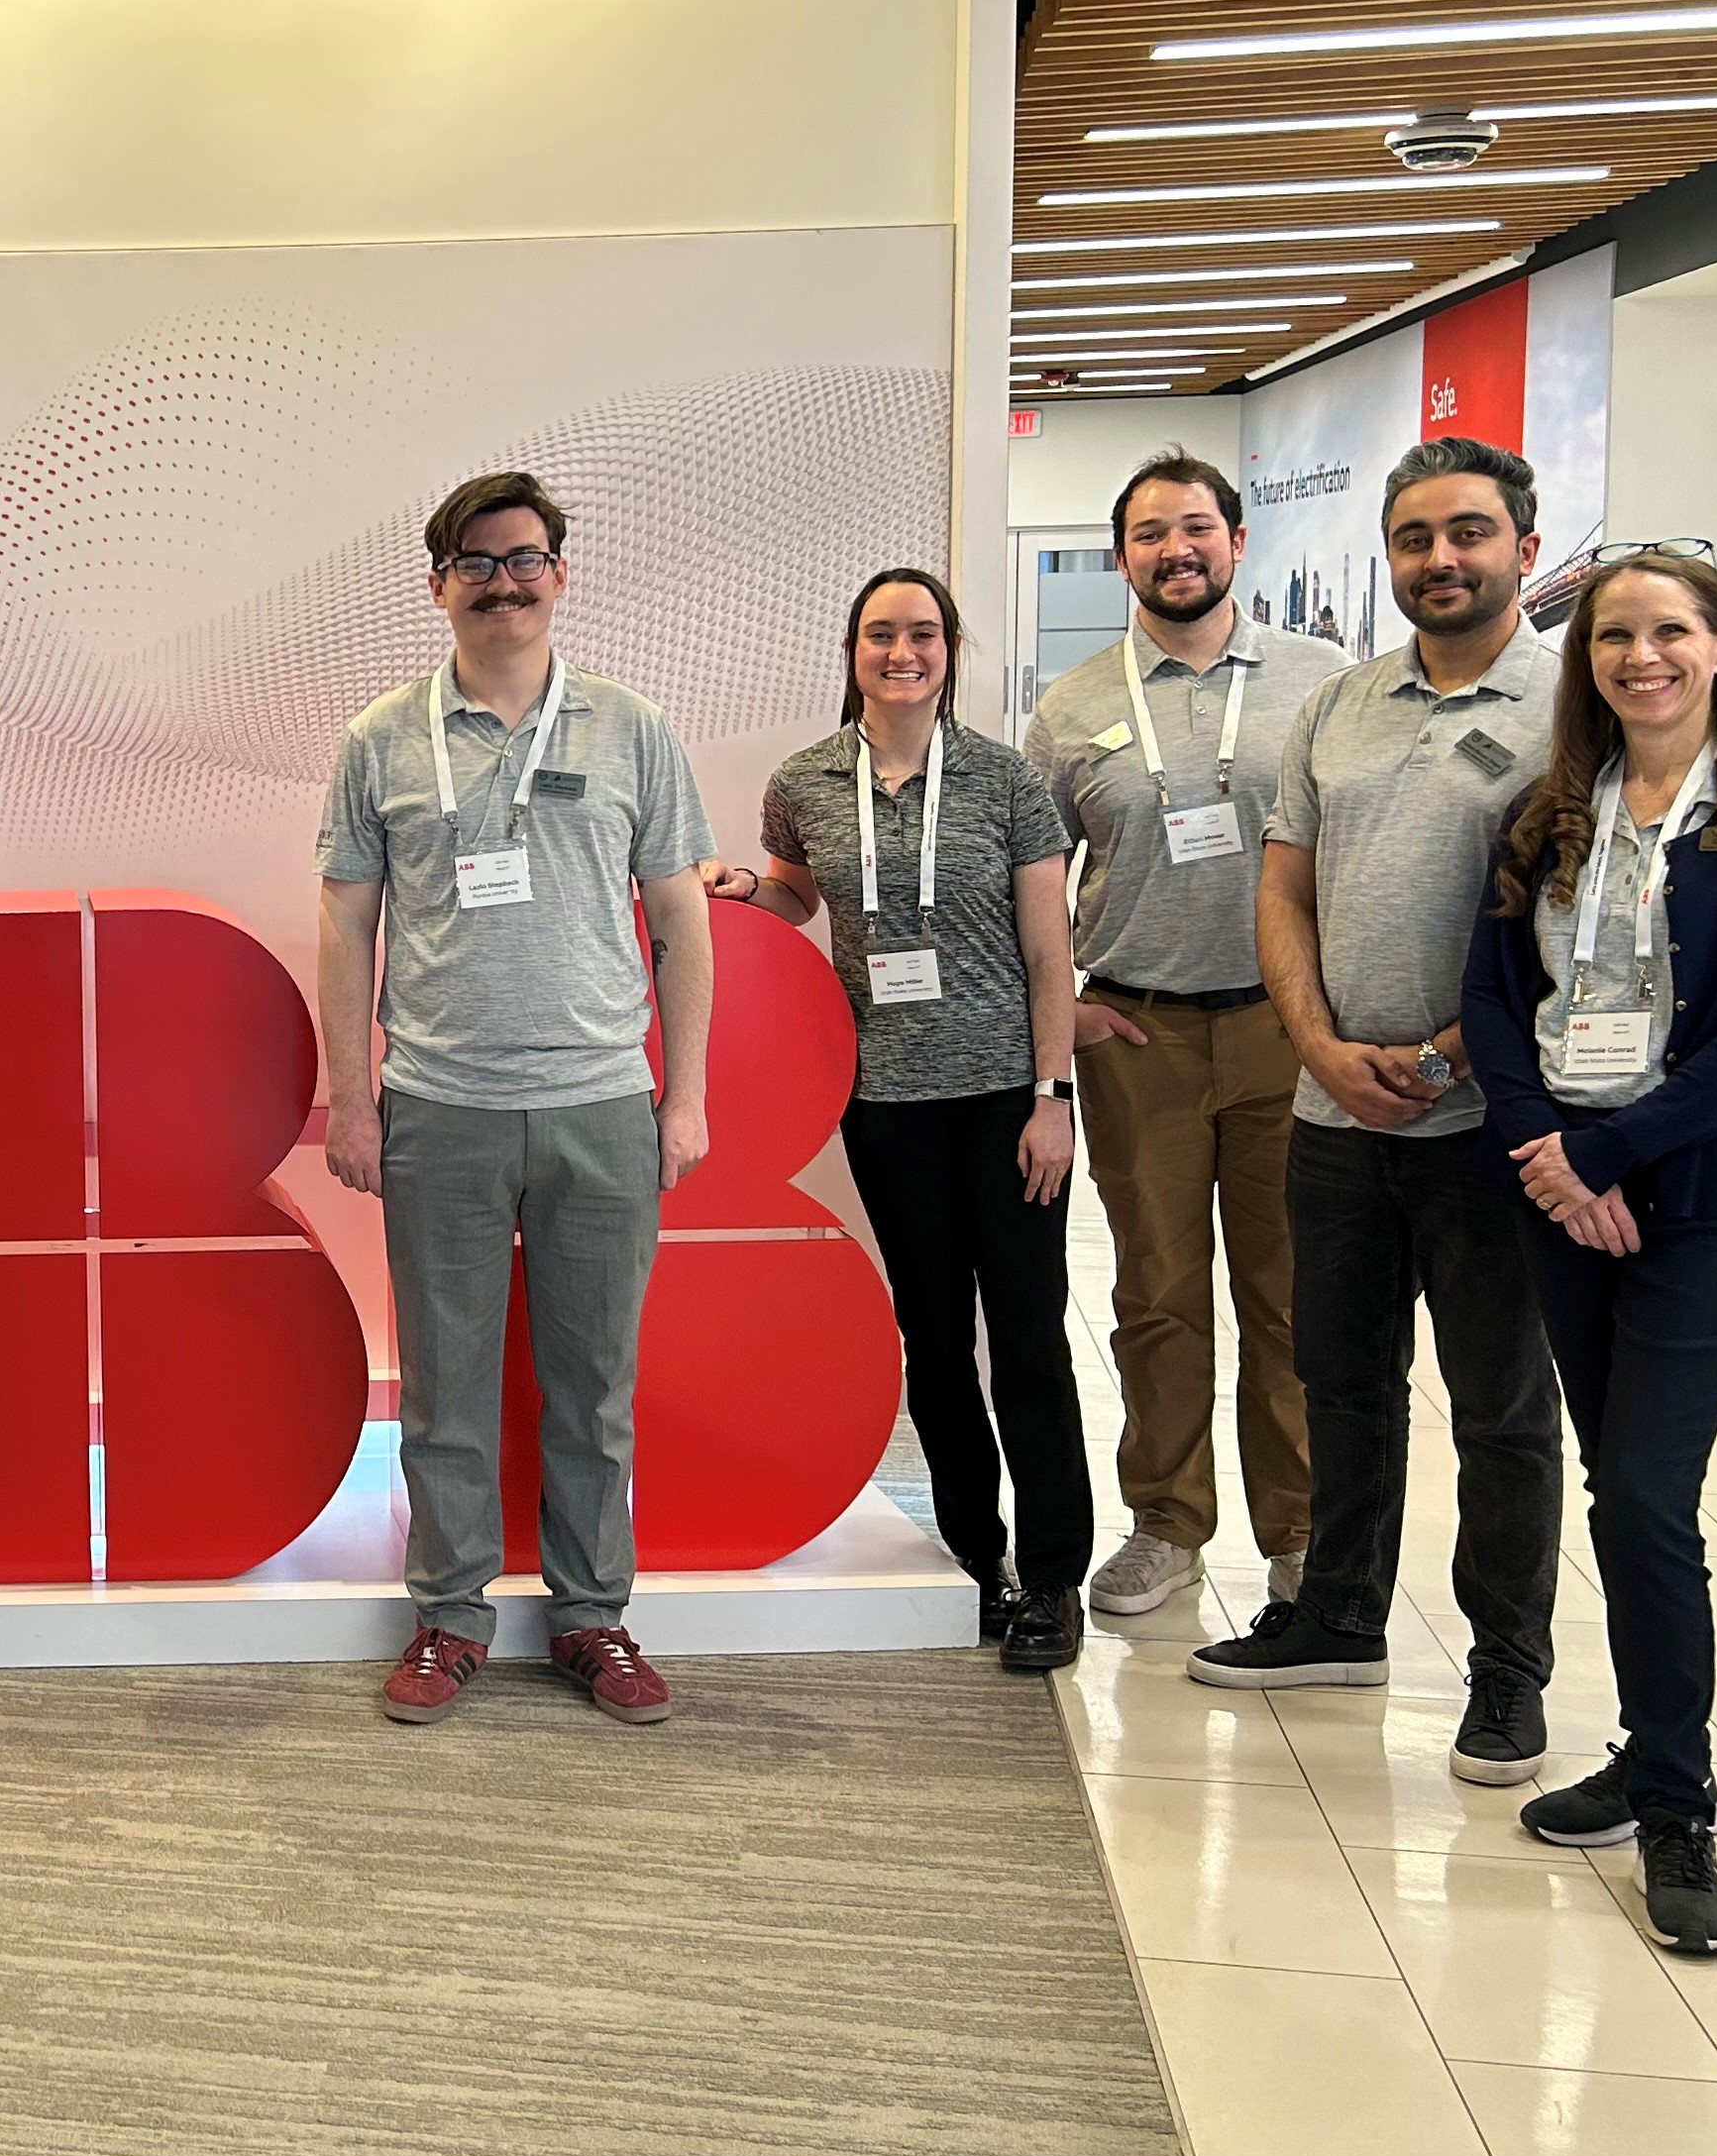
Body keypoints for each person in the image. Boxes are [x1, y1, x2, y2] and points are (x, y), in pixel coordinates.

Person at [1463, 553, 1717, 1959]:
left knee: (1644, 1494)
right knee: (1614, 1482)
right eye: (1615, 635)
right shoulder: (1545, 814)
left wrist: (1612, 1155)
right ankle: (1645, 1757)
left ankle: (1678, 1806)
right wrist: (1548, 1154)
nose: (1643, 656)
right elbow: (1494, 1000)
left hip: (1705, 1193)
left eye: (1671, 631)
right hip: (1564, 1190)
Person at [1192, 436, 1568, 1792]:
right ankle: (1340, 1616)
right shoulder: (1339, 706)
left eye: (1468, 533)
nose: (1440, 559)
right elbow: (1283, 888)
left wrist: (1453, 1055)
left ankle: (1508, 1669)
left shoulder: (1572, 711)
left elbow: (1573, 925)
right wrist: (1317, 1045)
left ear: (1524, 547)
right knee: (1342, 1383)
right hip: (1336, 1116)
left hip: (1488, 1125)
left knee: (1501, 1409)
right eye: (1416, 538)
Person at [320, 471, 714, 1728]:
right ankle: (450, 1616)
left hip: (601, 1099)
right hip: (439, 1102)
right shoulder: (382, 737)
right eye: (478, 564)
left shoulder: (630, 726)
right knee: (445, 1384)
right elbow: (347, 925)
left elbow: (679, 913)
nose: (505, 582)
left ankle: (592, 1615)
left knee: (594, 1386)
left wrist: (686, 1095)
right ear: (439, 585)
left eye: (526, 558)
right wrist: (350, 1100)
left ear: (561, 573)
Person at [708, 568, 1091, 1672]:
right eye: (881, 634)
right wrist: (746, 891)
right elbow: (799, 896)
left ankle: (1053, 1574)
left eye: (923, 634)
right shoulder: (805, 782)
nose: (902, 653)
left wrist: (1054, 1099)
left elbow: (1049, 956)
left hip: (1007, 1104)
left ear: (950, 649)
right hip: (884, 1105)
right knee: (933, 1336)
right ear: (853, 652)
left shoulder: (1006, 782)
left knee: (1027, 1339)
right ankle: (977, 1559)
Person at [1020, 460, 1350, 1623]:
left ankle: (1301, 1539)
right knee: (1157, 1297)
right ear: (1122, 557)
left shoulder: (1321, 682)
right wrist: (1063, 1016)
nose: (1177, 549)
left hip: (1285, 1029)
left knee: (1290, 1299)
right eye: (1152, 533)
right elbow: (1032, 883)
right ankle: (1167, 1523)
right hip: (1138, 1033)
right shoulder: (1070, 707)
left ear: (1238, 541)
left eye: (1197, 527)